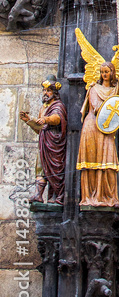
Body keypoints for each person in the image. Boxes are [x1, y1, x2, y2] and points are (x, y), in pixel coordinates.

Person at [77, 52, 119, 207]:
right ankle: (91, 197)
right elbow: (96, 107)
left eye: (107, 72)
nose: (104, 74)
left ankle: (108, 196)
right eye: (102, 72)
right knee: (92, 160)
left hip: (106, 129)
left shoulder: (114, 90)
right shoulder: (94, 89)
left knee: (109, 161)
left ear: (112, 73)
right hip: (93, 126)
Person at [20, 76, 68, 204]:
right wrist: (28, 120)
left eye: (48, 91)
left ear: (54, 93)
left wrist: (46, 119)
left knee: (55, 169)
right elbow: (40, 129)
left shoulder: (58, 105)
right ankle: (38, 195)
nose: (45, 93)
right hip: (43, 141)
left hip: (54, 142)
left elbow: (57, 118)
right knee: (40, 168)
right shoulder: (43, 108)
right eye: (44, 90)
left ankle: (58, 196)